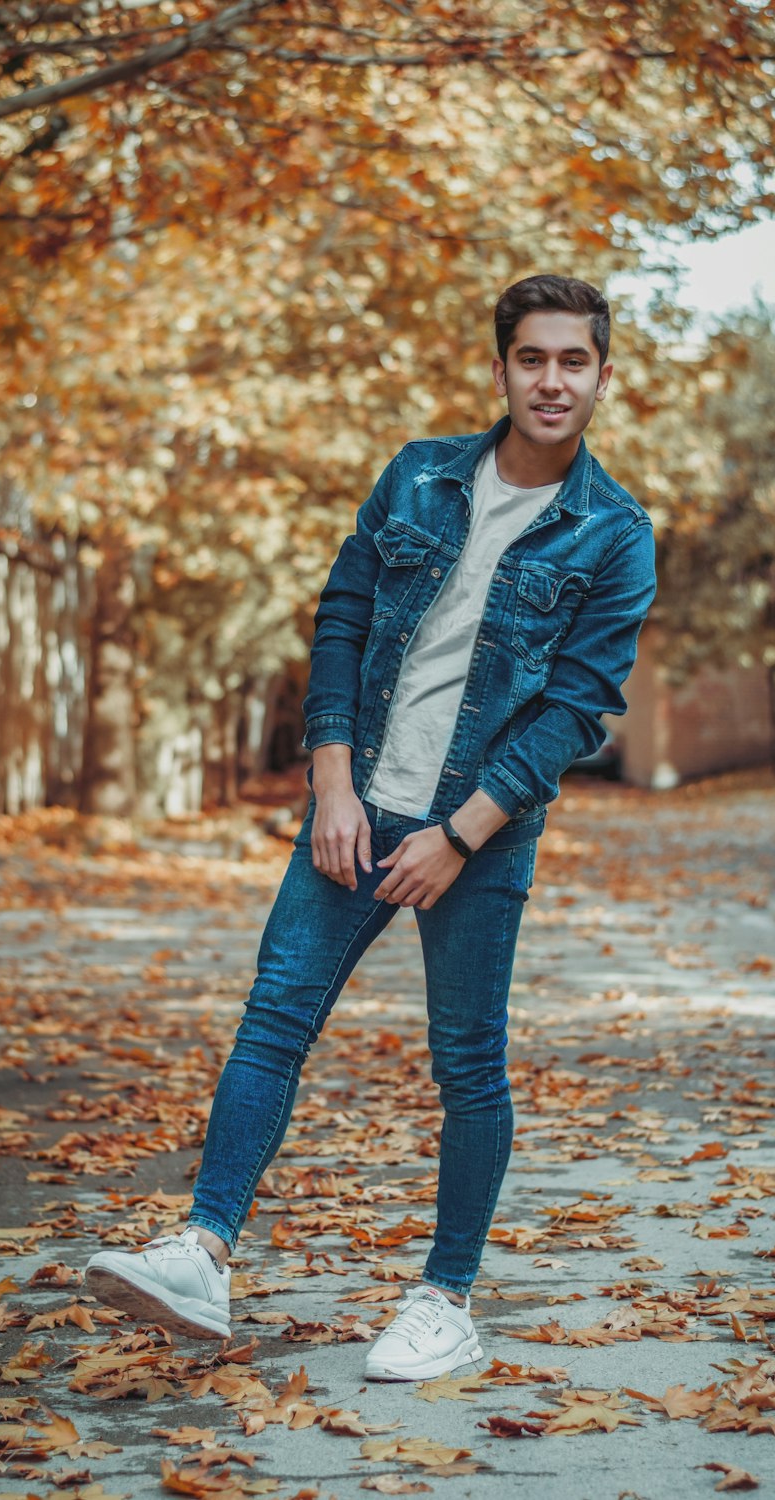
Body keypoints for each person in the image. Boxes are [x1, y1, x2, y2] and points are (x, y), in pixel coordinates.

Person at [86, 274, 656, 1380]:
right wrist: (332, 785)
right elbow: (343, 618)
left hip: (477, 830)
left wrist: (460, 835)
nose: (551, 380)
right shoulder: (418, 473)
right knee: (274, 1016)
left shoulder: (615, 533)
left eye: (572, 361)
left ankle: (445, 1299)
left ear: (599, 376)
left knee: (466, 1062)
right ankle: (202, 1250)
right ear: (499, 370)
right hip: (358, 802)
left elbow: (576, 709)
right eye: (531, 358)